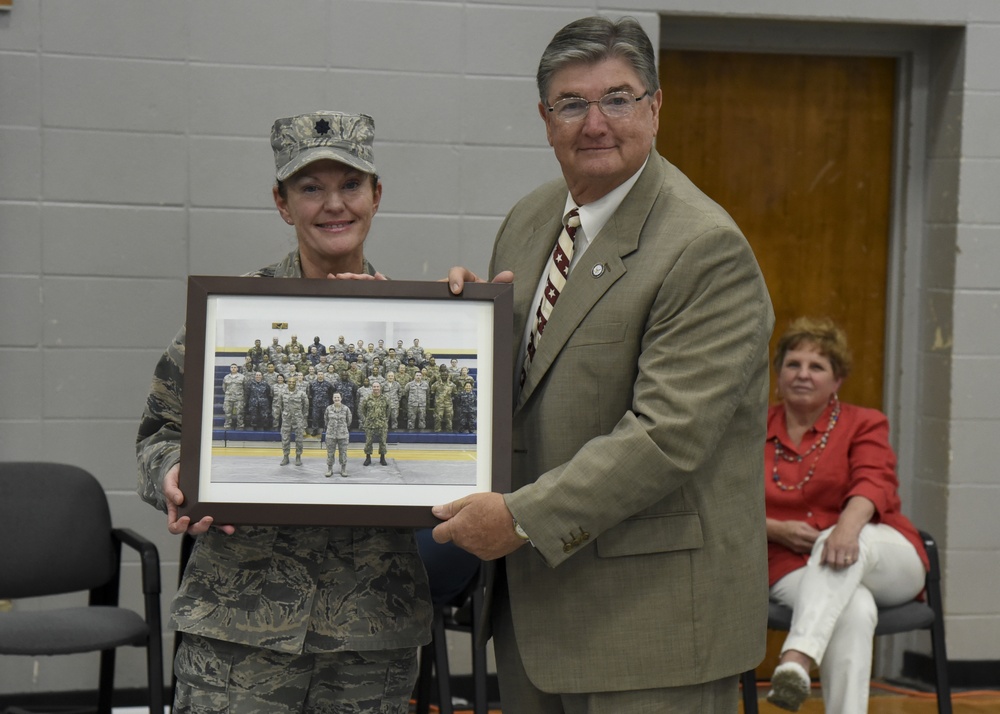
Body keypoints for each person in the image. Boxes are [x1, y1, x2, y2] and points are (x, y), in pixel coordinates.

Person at [431, 16, 774, 713]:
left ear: (654, 106)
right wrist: (452, 334)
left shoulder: (703, 247)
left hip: (651, 628)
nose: (596, 122)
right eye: (572, 103)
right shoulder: (528, 222)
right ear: (544, 117)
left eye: (617, 99)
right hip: (532, 615)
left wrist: (519, 520)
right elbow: (523, 390)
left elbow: (665, 435)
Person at [136, 110, 431, 714]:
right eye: (310, 187)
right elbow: (159, 433)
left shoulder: (420, 325)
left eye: (350, 185)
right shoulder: (229, 317)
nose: (333, 205)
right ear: (281, 201)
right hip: (237, 629)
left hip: (370, 632)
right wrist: (171, 474)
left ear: (377, 196)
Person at [762, 317, 929, 713]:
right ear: (779, 374)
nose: (802, 374)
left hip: (883, 555)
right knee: (854, 610)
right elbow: (722, 502)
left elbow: (874, 481)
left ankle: (797, 657)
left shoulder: (865, 423)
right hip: (785, 563)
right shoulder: (750, 427)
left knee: (842, 537)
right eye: (793, 364)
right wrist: (775, 529)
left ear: (837, 380)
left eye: (816, 367)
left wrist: (844, 532)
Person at [324, 391, 352, 478]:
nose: (336, 399)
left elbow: (349, 421)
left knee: (343, 452)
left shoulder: (346, 409)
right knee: (330, 453)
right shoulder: (328, 409)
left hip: (343, 435)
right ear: (332, 399)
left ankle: (343, 469)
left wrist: (342, 428)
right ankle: (329, 469)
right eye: (335, 397)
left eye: (338, 397)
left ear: (341, 398)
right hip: (330, 435)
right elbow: (326, 420)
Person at [361, 380, 390, 466]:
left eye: (377, 387)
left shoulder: (385, 398)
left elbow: (388, 411)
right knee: (368, 442)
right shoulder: (367, 398)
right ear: (372, 388)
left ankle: (382, 458)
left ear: (380, 388)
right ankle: (368, 458)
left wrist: (384, 419)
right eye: (374, 387)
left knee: (383, 442)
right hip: (370, 424)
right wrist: (368, 418)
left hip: (382, 424)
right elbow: (363, 410)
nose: (376, 388)